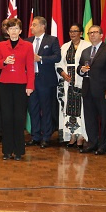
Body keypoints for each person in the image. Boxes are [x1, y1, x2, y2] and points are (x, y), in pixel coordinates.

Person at [0, 18, 34, 160]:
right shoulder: (1, 46)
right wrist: (4, 62)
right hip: (4, 85)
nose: (14, 31)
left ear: (20, 31)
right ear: (7, 31)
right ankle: (7, 151)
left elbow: (31, 68)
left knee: (19, 118)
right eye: (11, 29)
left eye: (16, 28)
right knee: (7, 118)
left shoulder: (27, 46)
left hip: (21, 85)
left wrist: (30, 85)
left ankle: (19, 151)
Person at [77, 25, 106, 155]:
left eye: (95, 32)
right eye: (90, 33)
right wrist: (81, 71)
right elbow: (79, 68)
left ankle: (103, 146)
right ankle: (92, 143)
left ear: (101, 35)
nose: (92, 35)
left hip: (103, 89)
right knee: (90, 118)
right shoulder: (85, 51)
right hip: (87, 89)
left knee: (104, 118)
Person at [25, 16, 61, 148]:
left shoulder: (52, 40)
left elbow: (57, 57)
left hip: (45, 80)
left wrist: (40, 58)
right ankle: (35, 136)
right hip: (31, 79)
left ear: (42, 26)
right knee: (33, 109)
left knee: (46, 109)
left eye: (34, 25)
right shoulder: (27, 41)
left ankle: (46, 137)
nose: (31, 27)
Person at [56, 23, 90, 148]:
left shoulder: (87, 46)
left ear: (81, 33)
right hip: (68, 82)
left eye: (75, 31)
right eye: (71, 31)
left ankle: (81, 136)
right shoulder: (64, 46)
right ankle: (72, 136)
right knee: (69, 109)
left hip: (82, 81)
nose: (72, 33)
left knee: (81, 109)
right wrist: (63, 73)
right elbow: (58, 64)